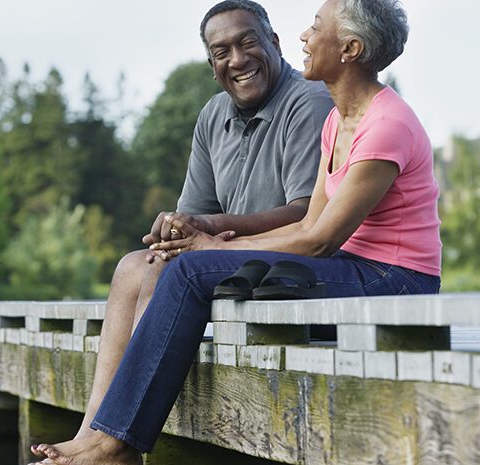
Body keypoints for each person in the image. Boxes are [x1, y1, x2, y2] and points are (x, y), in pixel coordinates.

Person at [29, 0, 440, 463]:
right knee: (176, 266)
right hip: (353, 269)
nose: (304, 36)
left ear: (349, 47)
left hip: (396, 281)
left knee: (185, 273)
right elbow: (308, 228)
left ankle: (113, 444)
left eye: (315, 27)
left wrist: (209, 246)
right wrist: (211, 246)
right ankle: (107, 437)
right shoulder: (340, 120)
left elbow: (320, 239)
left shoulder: (386, 125)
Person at [68, 0, 333, 444]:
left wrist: (207, 227)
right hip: (228, 262)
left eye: (248, 42)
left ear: (274, 42)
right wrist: (176, 228)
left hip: (283, 262)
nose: (237, 60)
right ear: (211, 64)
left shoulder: (308, 101)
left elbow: (308, 214)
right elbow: (197, 210)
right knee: (137, 263)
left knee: (170, 270)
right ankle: (93, 429)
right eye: (221, 51)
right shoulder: (213, 115)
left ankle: (119, 438)